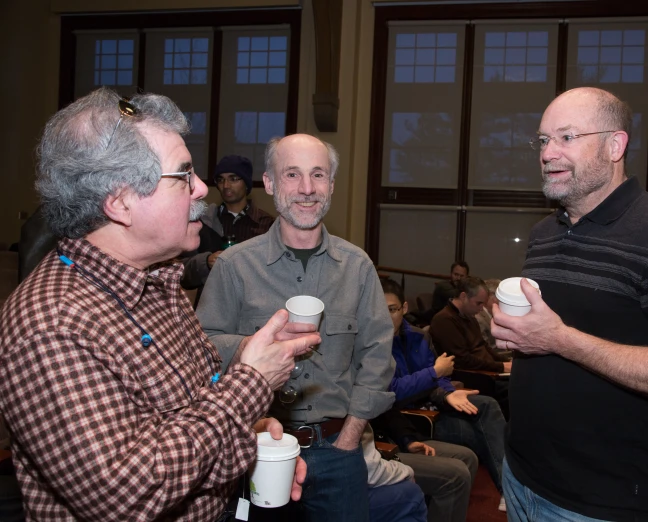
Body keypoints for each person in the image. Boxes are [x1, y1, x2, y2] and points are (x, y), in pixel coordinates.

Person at [0, 88, 321, 520]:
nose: (203, 188)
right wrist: (251, 382)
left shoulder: (157, 283)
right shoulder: (52, 325)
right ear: (120, 202)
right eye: (183, 175)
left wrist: (247, 437)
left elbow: (185, 423)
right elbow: (131, 494)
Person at [491, 87, 648, 522]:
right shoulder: (545, 232)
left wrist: (560, 340)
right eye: (543, 140)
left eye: (566, 137)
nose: (548, 153)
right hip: (522, 478)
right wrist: (520, 336)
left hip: (605, 504)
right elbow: (551, 336)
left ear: (614, 145)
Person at [197, 133, 395, 521]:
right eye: (292, 174)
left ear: (332, 185)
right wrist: (252, 345)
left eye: (318, 175)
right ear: (269, 183)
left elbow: (377, 355)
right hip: (256, 452)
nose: (307, 189)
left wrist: (351, 435)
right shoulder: (235, 267)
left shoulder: (357, 267)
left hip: (339, 452)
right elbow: (200, 348)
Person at [382, 278, 507, 513]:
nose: (387, 316)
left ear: (404, 308)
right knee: (479, 433)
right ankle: (505, 488)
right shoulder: (374, 344)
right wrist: (434, 376)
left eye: (392, 309)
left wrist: (447, 392)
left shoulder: (419, 336)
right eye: (380, 310)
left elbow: (439, 378)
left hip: (431, 407)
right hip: (409, 418)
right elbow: (392, 391)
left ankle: (507, 489)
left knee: (487, 405)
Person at [180, 154, 274, 292]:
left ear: (246, 183)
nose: (226, 185)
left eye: (233, 179)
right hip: (211, 305)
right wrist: (206, 262)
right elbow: (182, 274)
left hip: (251, 306)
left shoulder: (266, 225)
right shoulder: (203, 223)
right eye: (220, 180)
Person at [430, 277, 512, 374]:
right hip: (470, 375)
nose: (482, 309)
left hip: (485, 371)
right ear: (463, 297)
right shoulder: (444, 319)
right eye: (479, 303)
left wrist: (507, 361)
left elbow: (485, 347)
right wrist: (500, 366)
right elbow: (462, 360)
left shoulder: (469, 316)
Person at [362, 424, 428, 522]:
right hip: (339, 499)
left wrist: (408, 440)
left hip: (384, 456)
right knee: (412, 492)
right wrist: (406, 471)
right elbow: (369, 471)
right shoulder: (349, 418)